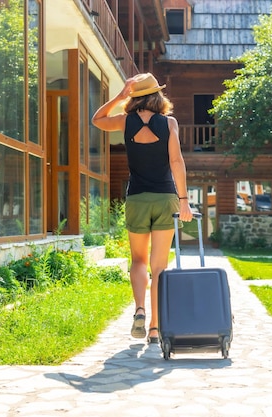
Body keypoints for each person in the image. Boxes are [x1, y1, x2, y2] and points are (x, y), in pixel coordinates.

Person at [92, 73, 193, 344]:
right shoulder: (169, 123)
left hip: (136, 198)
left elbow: (97, 120)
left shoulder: (126, 121)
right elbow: (177, 161)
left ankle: (139, 309)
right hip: (165, 198)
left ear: (134, 97)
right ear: (158, 95)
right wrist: (184, 201)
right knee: (158, 266)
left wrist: (119, 97)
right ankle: (154, 328)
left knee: (138, 260)